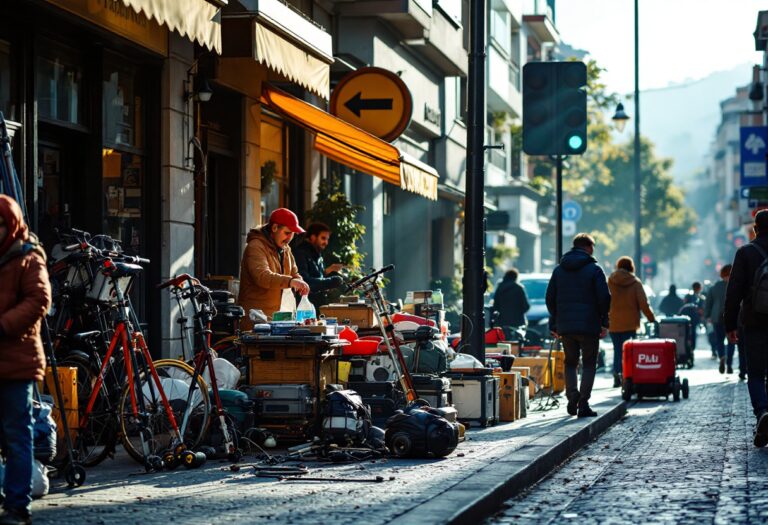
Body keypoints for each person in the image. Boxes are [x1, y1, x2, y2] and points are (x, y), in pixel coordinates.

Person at [0, 195, 52, 525]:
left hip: (18, 360)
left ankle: (18, 505)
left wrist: (3, 325)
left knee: (17, 435)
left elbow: (39, 300)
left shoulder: (28, 257)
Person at [546, 233, 611, 418]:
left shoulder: (559, 270)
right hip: (589, 326)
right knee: (589, 363)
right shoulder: (594, 269)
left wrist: (556, 322)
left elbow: (550, 297)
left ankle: (572, 396)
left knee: (570, 362)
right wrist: (604, 321)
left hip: (566, 326)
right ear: (589, 247)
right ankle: (583, 403)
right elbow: (604, 297)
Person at [724, 209, 768, 447]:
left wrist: (730, 325)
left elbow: (733, 293)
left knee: (756, 373)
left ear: (755, 229)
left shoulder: (745, 253)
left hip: (754, 321)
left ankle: (762, 412)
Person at [238, 208, 310, 325]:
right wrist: (291, 281)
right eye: (287, 233)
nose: (289, 238)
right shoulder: (255, 246)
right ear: (274, 228)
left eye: (292, 234)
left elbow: (294, 273)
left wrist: (300, 282)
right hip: (256, 319)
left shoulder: (285, 248)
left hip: (278, 319)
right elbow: (262, 277)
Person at [607, 256, 656, 388]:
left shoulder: (610, 281)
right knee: (628, 352)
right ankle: (627, 377)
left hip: (614, 323)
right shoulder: (635, 282)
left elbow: (604, 300)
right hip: (630, 324)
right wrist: (652, 318)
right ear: (631, 267)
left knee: (617, 350)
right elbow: (643, 304)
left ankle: (616, 374)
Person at [292, 223, 345, 308]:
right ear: (313, 237)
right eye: (323, 238)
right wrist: (332, 281)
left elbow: (316, 275)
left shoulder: (317, 253)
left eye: (327, 239)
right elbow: (304, 282)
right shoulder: (301, 253)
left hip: (317, 305)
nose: (326, 242)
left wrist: (327, 272)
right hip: (305, 307)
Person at [704, 265, 735, 374]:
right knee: (731, 341)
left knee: (719, 340)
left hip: (717, 317)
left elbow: (708, 303)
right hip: (732, 317)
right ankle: (729, 364)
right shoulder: (735, 286)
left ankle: (722, 356)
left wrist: (707, 315)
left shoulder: (714, 287)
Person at [678, 282, 703, 353]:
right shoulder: (700, 297)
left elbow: (683, 305)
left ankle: (687, 347)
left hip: (686, 318)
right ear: (699, 288)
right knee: (693, 333)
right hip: (694, 318)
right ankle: (692, 348)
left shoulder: (688, 296)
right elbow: (701, 310)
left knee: (687, 332)